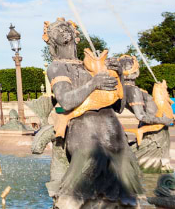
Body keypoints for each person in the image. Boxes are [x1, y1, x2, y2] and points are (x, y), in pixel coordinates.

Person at [45, 19, 143, 209]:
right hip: (84, 131)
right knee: (84, 180)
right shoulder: (57, 67)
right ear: (51, 40)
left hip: (112, 131)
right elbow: (65, 100)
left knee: (126, 186)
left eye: (67, 28)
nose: (63, 30)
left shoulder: (91, 65)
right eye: (56, 30)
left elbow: (119, 106)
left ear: (76, 35)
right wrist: (94, 83)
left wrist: (119, 76)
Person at [119, 54, 175, 173]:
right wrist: (164, 120)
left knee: (158, 170)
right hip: (154, 133)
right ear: (134, 71)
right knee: (153, 170)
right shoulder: (132, 90)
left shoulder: (130, 89)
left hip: (156, 131)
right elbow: (141, 116)